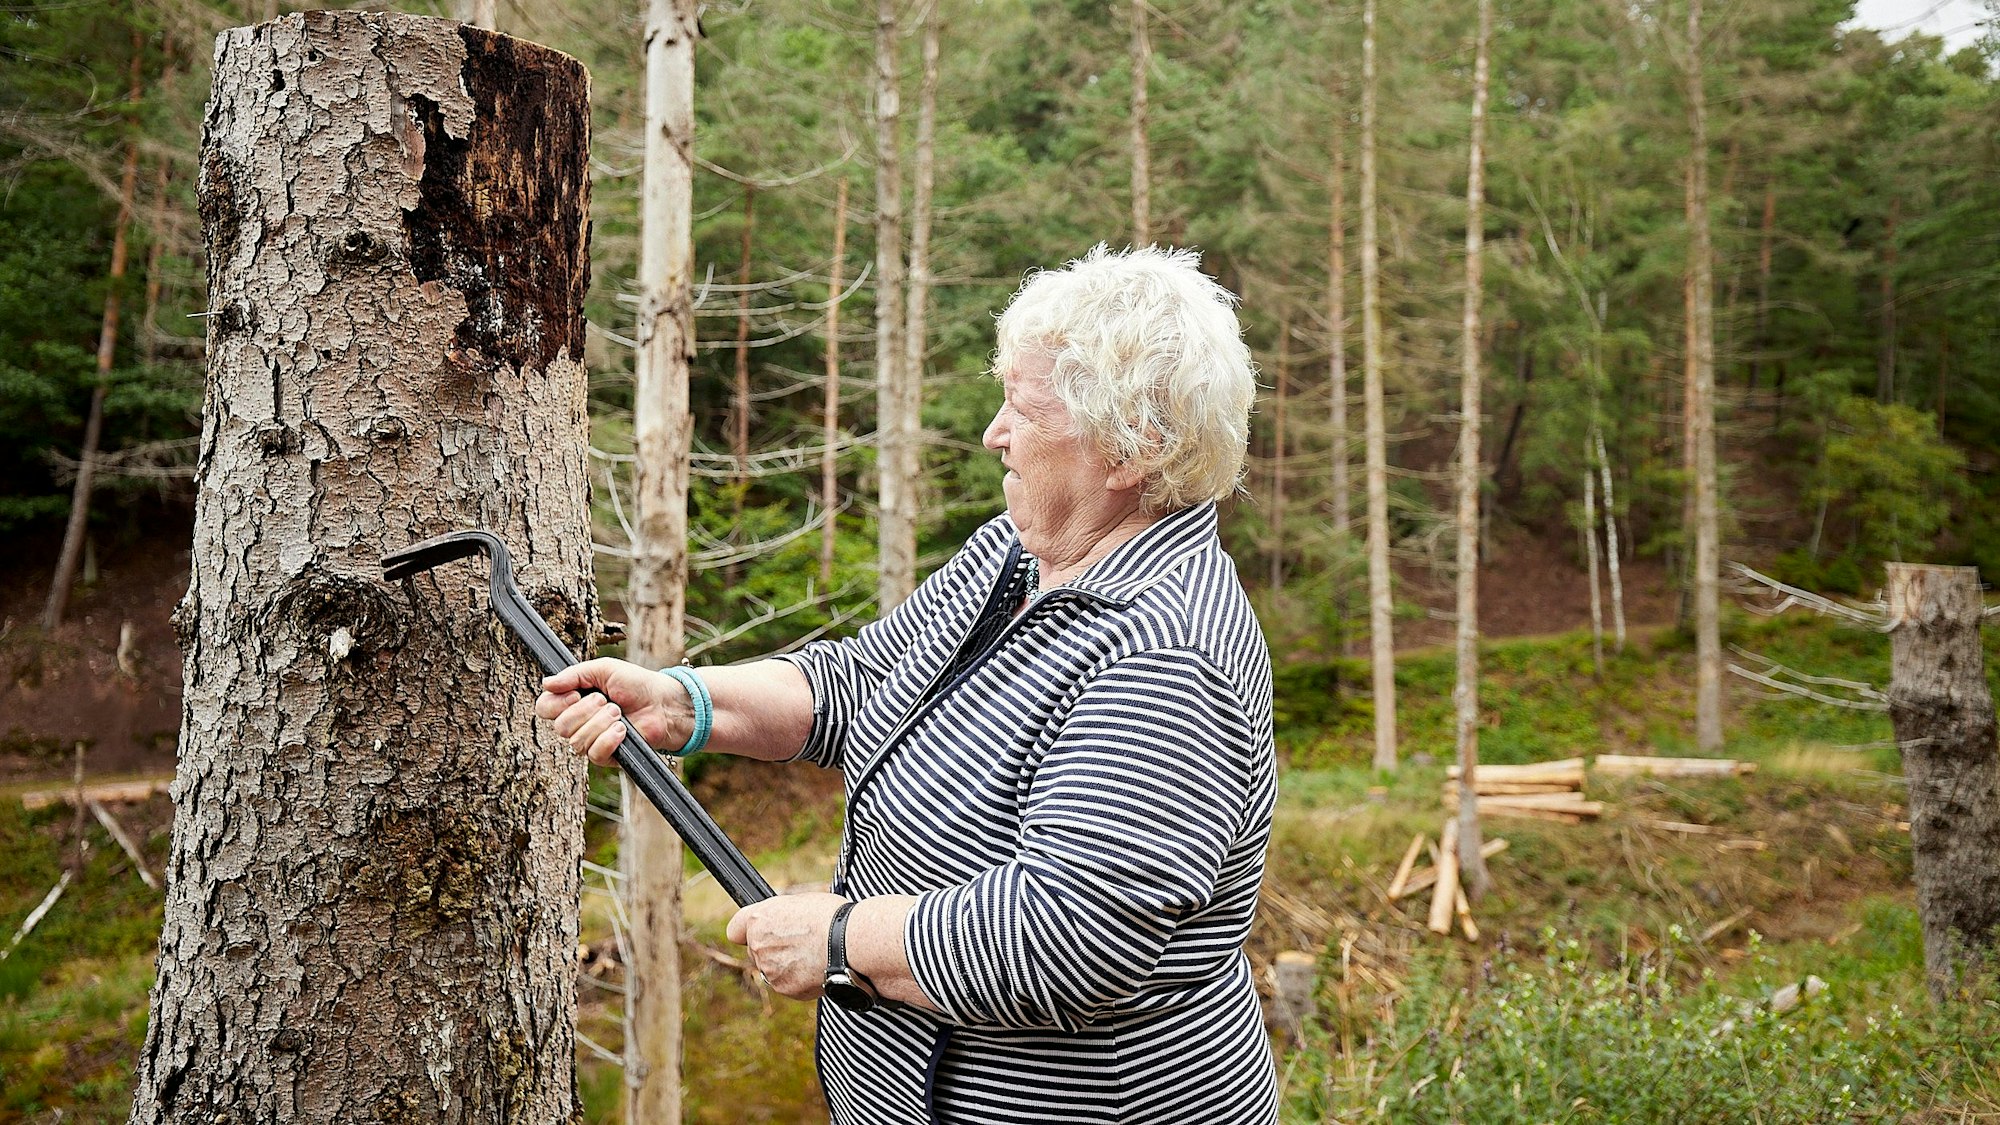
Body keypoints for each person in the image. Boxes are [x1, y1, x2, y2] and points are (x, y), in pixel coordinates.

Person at [536, 244, 1278, 1124]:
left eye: (1024, 408)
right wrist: (687, 702)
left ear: (1130, 450)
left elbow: (1070, 934)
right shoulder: (1020, 553)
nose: (995, 432)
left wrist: (843, 939)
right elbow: (867, 681)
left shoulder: (1167, 653)